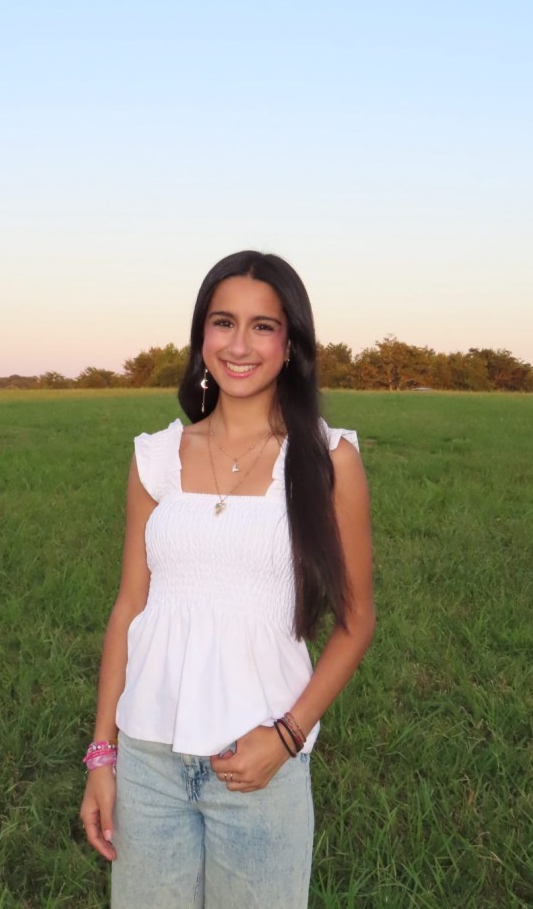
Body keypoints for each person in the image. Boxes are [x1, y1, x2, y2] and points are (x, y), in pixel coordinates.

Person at [80, 250, 375, 908]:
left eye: (263, 326)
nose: (239, 345)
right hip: (149, 765)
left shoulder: (328, 460)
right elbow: (130, 606)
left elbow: (357, 621)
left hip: (260, 768)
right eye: (223, 323)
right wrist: (104, 755)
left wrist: (288, 736)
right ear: (201, 337)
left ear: (290, 344)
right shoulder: (156, 457)